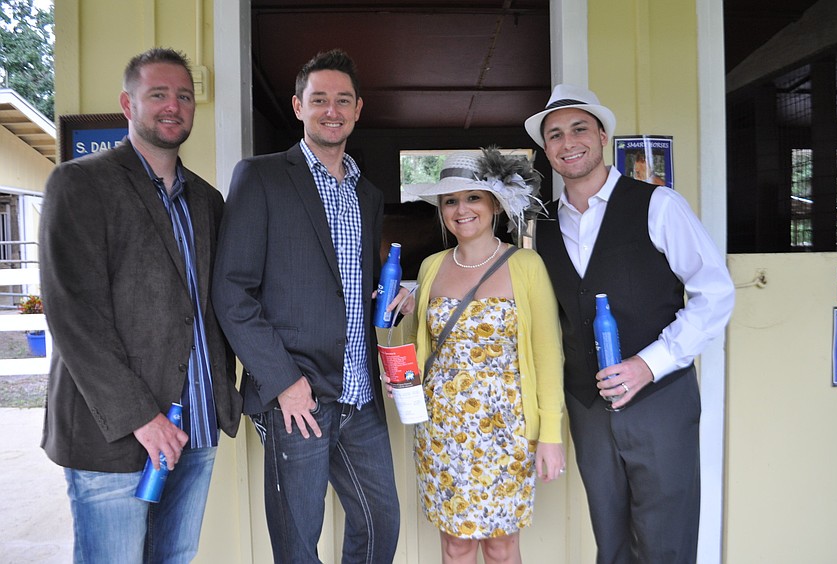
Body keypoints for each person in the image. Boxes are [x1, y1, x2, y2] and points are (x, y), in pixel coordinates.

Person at [39, 47, 242, 563]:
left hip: (196, 426)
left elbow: (218, 303)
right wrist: (142, 416)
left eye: (184, 96)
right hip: (115, 435)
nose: (173, 106)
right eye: (158, 94)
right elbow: (75, 317)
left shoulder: (208, 201)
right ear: (128, 105)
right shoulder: (80, 184)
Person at [525, 84, 735, 563]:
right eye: (555, 135)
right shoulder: (541, 227)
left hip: (660, 403)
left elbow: (715, 293)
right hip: (588, 408)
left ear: (602, 136)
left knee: (666, 544)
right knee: (612, 542)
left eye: (579, 129)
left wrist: (649, 364)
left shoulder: (659, 205)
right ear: (546, 150)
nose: (568, 142)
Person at [211, 49, 400, 563]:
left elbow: (348, 287)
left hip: (360, 393)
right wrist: (282, 382)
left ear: (358, 109)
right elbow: (232, 291)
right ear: (298, 107)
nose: (331, 110)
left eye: (342, 100)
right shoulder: (262, 176)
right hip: (297, 396)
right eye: (319, 100)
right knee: (297, 544)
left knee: (381, 525)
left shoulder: (367, 194)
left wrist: (389, 300)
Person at [402, 149, 566, 564]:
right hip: (441, 429)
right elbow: (426, 347)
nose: (461, 210)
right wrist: (404, 378)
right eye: (450, 201)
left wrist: (550, 434)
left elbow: (548, 355)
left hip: (508, 429)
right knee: (455, 545)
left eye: (473, 197)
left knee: (501, 546)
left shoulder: (526, 265)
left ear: (494, 204)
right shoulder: (431, 266)